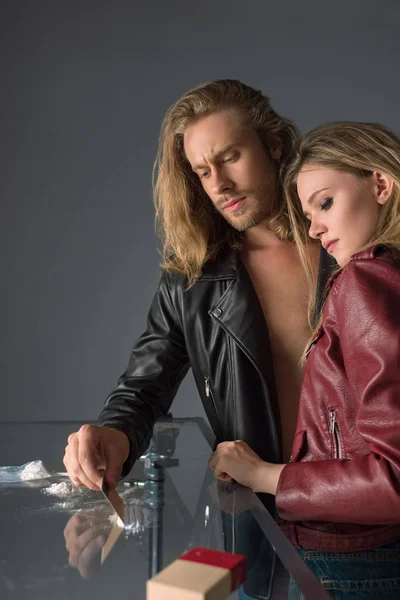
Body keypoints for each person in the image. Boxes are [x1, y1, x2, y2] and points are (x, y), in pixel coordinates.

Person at [63, 80, 333, 595]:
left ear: (274, 144)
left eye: (230, 158)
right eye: (202, 171)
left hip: (368, 526)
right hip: (263, 531)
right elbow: (143, 388)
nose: (219, 185)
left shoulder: (353, 244)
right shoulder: (193, 280)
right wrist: (109, 440)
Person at [209, 121, 400, 599]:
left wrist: (263, 476)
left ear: (380, 184)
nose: (313, 228)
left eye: (325, 202)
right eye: (307, 211)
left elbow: (394, 475)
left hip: (357, 560)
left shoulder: (364, 282)